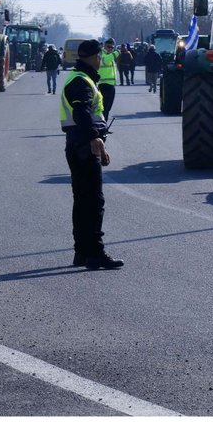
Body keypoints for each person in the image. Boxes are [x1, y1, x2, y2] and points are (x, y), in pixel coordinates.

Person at [59, 39, 123, 270]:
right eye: (99, 56)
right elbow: (81, 112)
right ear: (95, 57)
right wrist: (95, 138)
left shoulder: (79, 77)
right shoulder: (81, 81)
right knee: (94, 202)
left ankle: (82, 253)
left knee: (82, 201)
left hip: (77, 143)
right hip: (84, 145)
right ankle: (95, 253)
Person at [98, 38, 118, 120]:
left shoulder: (109, 55)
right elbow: (106, 60)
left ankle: (104, 123)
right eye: (108, 47)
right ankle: (103, 124)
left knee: (108, 108)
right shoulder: (102, 54)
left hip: (111, 85)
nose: (110, 49)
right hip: (104, 85)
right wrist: (117, 52)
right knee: (104, 108)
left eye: (112, 47)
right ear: (105, 46)